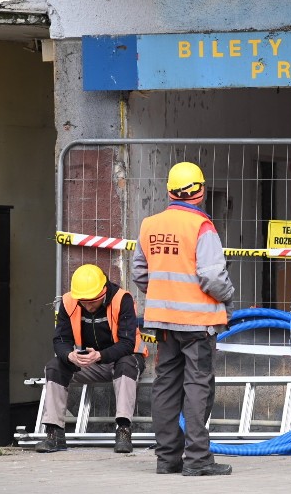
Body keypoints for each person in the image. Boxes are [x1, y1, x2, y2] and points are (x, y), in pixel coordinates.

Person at [132, 161, 235, 477]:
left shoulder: (150, 224)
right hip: (197, 323)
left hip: (162, 322)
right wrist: (228, 295)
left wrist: (165, 293)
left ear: (169, 192)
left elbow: (139, 272)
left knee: (165, 386)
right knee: (197, 387)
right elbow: (212, 277)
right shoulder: (202, 226)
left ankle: (167, 459)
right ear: (201, 191)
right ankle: (197, 459)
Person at [35, 264, 147, 454]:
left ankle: (123, 430)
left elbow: (128, 343)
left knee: (126, 364)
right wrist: (69, 356)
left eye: (91, 301)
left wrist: (101, 355)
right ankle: (54, 433)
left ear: (103, 292)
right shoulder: (69, 301)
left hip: (121, 359)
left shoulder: (122, 299)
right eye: (83, 302)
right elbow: (60, 339)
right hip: (88, 362)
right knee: (54, 366)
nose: (87, 305)